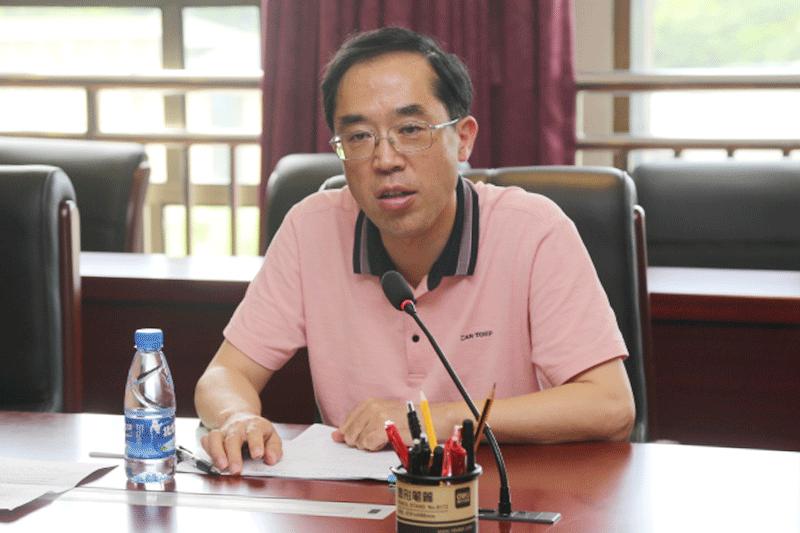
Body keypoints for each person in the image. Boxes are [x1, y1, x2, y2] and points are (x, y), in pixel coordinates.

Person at [195, 27, 635, 474]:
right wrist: (237, 417)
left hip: (503, 491)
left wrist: (432, 421)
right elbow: (224, 374)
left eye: (410, 130)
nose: (385, 160)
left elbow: (611, 405)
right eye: (359, 136)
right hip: (357, 501)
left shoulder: (534, 230)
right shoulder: (311, 228)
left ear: (463, 137)